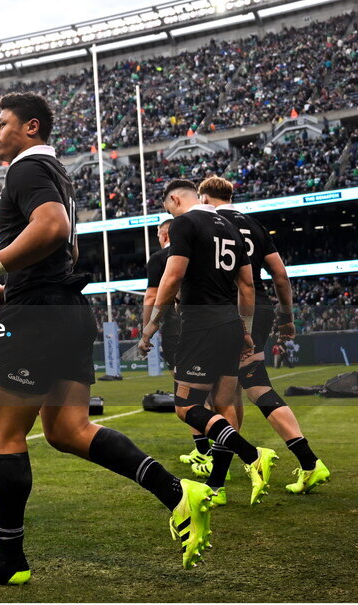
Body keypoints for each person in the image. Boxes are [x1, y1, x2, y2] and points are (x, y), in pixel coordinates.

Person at [0, 92, 213, 584]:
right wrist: (13, 287)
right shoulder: (58, 174)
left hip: (38, 318)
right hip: (66, 311)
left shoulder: (25, 169)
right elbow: (59, 248)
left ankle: (8, 559)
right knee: (67, 431)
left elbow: (53, 227)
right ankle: (177, 492)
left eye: (2, 124)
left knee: (4, 437)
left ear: (30, 128)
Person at [139, 178, 277, 508]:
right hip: (231, 324)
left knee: (187, 408)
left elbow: (171, 279)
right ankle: (217, 486)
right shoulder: (230, 226)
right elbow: (247, 286)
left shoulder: (185, 223)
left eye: (165, 208)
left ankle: (252, 454)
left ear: (174, 199)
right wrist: (245, 328)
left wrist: (151, 327)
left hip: (201, 328)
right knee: (225, 405)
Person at [198, 176, 329, 495]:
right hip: (262, 307)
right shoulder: (255, 226)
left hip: (229, 311)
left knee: (221, 395)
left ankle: (217, 482)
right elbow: (280, 275)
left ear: (204, 197)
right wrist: (287, 316)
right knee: (254, 384)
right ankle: (310, 463)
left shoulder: (207, 223)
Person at [143, 220, 201, 464]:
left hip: (178, 328)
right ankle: (222, 452)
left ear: (165, 233)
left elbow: (152, 296)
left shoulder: (160, 258)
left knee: (186, 397)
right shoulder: (200, 250)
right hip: (212, 323)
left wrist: (147, 331)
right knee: (219, 393)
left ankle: (205, 452)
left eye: (158, 233)